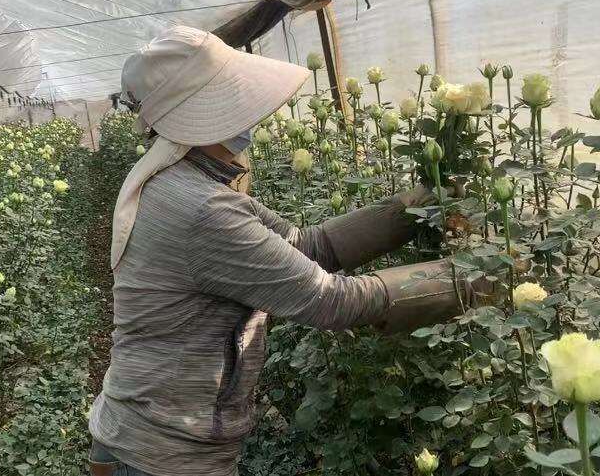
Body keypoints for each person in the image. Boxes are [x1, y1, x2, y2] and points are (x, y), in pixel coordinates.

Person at [89, 26, 484, 476]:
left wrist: (412, 209)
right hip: (163, 456)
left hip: (142, 438)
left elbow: (304, 246)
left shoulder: (179, 181)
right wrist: (471, 280)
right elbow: (330, 299)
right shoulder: (200, 208)